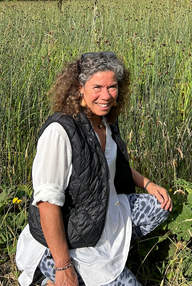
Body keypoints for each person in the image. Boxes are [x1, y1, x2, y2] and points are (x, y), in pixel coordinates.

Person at [16, 51, 172, 286]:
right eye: (97, 87)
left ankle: (110, 258)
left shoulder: (104, 121)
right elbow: (47, 204)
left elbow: (108, 167)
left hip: (103, 214)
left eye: (112, 87)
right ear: (80, 87)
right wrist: (63, 265)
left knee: (160, 207)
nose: (106, 95)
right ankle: (50, 274)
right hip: (69, 234)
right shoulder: (60, 132)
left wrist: (148, 184)